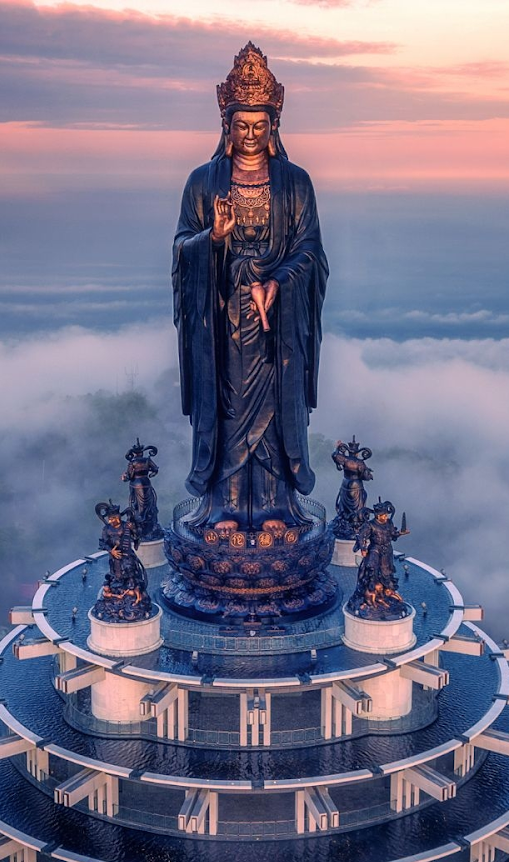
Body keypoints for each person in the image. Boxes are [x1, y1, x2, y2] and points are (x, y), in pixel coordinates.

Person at [172, 42, 328, 531]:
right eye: (242, 125)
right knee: (227, 407)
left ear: (274, 125)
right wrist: (212, 239)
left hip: (276, 322)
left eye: (260, 126)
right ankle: (224, 509)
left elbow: (311, 251)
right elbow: (181, 247)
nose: (251, 135)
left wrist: (278, 282)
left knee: (277, 414)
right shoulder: (202, 182)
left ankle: (277, 510)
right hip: (222, 322)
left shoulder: (296, 182)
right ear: (227, 125)